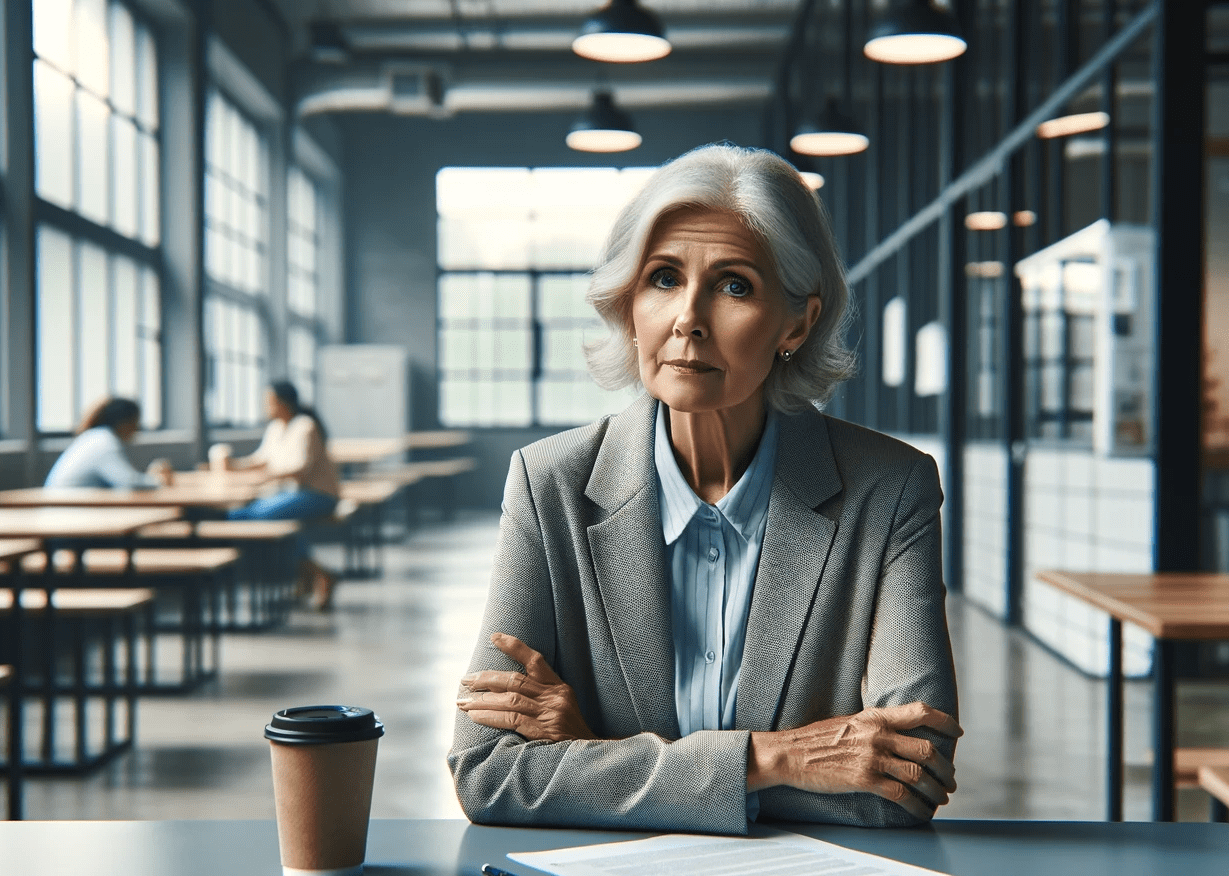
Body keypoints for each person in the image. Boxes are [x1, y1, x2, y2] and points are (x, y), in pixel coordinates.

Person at [448, 143, 961, 835]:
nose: (688, 316)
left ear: (797, 323)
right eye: (662, 278)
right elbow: (489, 775)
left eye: (734, 285)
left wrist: (595, 756)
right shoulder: (551, 484)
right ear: (630, 304)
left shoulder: (890, 489)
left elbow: (906, 783)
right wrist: (774, 759)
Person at [226, 381, 342, 610]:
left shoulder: (305, 426)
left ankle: (319, 574)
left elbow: (301, 468)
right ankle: (311, 574)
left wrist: (268, 477)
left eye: (269, 401)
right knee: (239, 514)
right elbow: (261, 460)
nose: (265, 406)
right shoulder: (276, 428)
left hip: (318, 495)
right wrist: (233, 465)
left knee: (261, 516)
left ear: (283, 402)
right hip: (291, 495)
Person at [45, 397, 174, 489]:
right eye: (135, 422)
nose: (137, 429)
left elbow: (123, 480)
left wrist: (148, 479)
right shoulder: (104, 441)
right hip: (67, 515)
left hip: (66, 510)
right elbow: (128, 484)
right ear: (124, 422)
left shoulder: (94, 437)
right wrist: (158, 481)